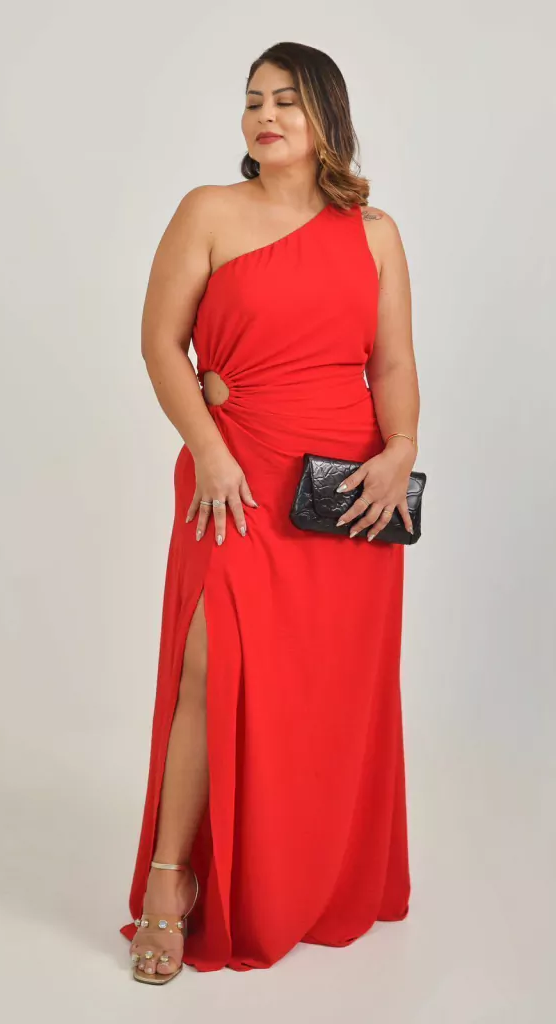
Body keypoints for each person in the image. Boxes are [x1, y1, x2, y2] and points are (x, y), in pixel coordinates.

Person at [122, 41, 421, 983]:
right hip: (235, 474)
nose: (266, 115)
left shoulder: (375, 232)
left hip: (345, 494)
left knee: (325, 689)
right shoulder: (209, 211)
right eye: (254, 100)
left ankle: (308, 878)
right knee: (210, 669)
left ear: (327, 115)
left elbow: (392, 362)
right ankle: (170, 883)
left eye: (287, 100)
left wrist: (401, 449)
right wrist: (208, 450)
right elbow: (160, 344)